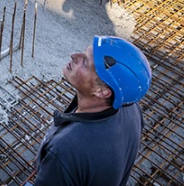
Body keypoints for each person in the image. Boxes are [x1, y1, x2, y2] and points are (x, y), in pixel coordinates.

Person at [25, 36, 151, 186]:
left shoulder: (64, 149)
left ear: (102, 92)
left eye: (85, 62)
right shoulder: (130, 106)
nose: (73, 55)